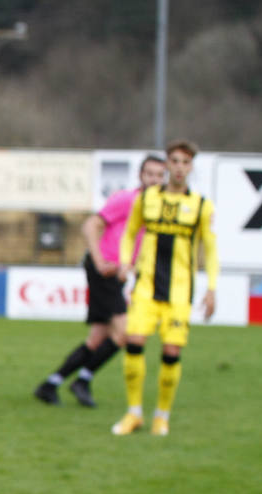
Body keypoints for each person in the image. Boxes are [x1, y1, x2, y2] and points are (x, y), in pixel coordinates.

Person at [34, 154, 165, 407]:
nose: (154, 180)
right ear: (140, 176)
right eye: (150, 174)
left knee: (97, 338)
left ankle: (50, 384)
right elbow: (90, 225)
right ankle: (83, 380)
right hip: (103, 270)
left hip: (117, 274)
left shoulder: (159, 210)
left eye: (160, 176)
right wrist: (98, 260)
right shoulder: (128, 200)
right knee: (125, 332)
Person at [111, 139, 218, 437]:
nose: (179, 167)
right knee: (133, 342)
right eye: (174, 161)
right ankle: (134, 413)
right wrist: (124, 262)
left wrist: (211, 287)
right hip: (146, 286)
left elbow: (210, 249)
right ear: (167, 165)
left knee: (171, 352)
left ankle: (161, 416)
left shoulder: (200, 205)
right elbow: (130, 233)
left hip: (179, 292)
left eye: (185, 162)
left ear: (191, 167)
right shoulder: (146, 200)